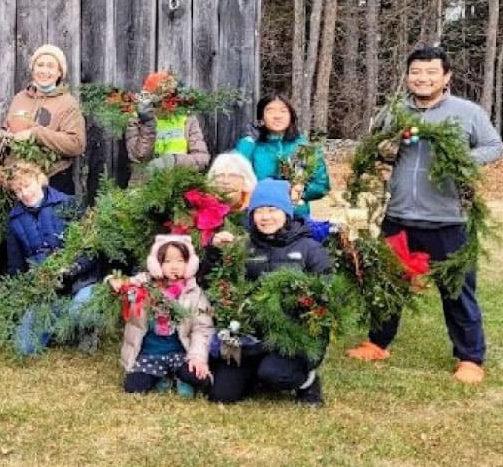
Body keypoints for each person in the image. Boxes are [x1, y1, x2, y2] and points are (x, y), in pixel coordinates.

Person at [346, 46, 503, 384]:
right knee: (388, 284)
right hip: (399, 214)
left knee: (457, 289)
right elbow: (376, 148)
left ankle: (470, 358)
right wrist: (384, 150)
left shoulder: (467, 112)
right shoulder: (395, 113)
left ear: (446, 77)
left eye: (431, 72)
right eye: (416, 71)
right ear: (407, 76)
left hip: (449, 219)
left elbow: (494, 146)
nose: (423, 78)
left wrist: (460, 158)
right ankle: (378, 342)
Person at [208, 179, 330, 406]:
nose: (265, 217)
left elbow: (327, 297)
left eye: (272, 210)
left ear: (286, 212)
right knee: (221, 394)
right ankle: (254, 374)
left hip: (293, 338)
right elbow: (215, 281)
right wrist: (215, 252)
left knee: (274, 374)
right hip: (251, 336)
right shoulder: (244, 246)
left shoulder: (310, 249)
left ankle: (307, 381)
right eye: (259, 211)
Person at [6, 163, 100, 356]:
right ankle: (57, 323)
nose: (24, 194)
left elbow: (91, 249)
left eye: (27, 185)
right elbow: (16, 264)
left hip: (80, 281)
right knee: (24, 348)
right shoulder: (15, 220)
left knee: (81, 309)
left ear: (39, 181)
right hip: (48, 288)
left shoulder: (68, 204)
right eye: (18, 190)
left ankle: (85, 328)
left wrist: (73, 268)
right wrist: (27, 286)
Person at [109, 235, 213, 396]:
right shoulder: (143, 283)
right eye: (168, 261)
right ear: (157, 264)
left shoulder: (194, 292)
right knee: (134, 386)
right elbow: (120, 284)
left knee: (199, 378)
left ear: (189, 264)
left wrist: (197, 358)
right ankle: (161, 376)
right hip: (150, 353)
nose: (174, 267)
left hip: (180, 354)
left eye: (180, 261)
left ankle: (178, 376)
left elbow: (202, 328)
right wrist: (113, 282)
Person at [5, 44, 87, 196]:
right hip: (19, 183)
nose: (44, 71)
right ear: (33, 69)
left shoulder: (67, 103)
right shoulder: (20, 98)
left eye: (50, 66)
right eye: (40, 65)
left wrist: (35, 134)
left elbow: (77, 144)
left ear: (59, 73)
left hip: (54, 183)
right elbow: (8, 130)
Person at [233, 93, 330, 216]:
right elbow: (234, 171)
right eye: (270, 111)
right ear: (261, 118)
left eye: (283, 111)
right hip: (258, 215)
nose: (277, 116)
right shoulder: (251, 145)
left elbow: (321, 185)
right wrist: (248, 142)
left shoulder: (303, 147)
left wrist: (299, 191)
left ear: (291, 117)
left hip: (295, 216)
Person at [124, 70, 210, 179]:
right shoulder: (136, 119)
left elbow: (202, 159)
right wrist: (148, 123)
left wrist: (172, 161)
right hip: (146, 187)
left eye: (170, 98)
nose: (166, 104)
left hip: (179, 182)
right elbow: (138, 157)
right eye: (161, 100)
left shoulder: (187, 118)